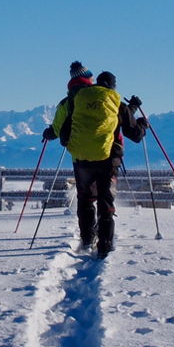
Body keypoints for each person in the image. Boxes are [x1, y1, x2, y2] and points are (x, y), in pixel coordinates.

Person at [42, 62, 147, 259]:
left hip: (81, 157)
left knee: (85, 197)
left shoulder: (73, 101)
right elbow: (123, 122)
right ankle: (105, 243)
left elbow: (59, 130)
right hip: (108, 156)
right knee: (105, 199)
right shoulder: (110, 98)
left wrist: (49, 134)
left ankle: (87, 238)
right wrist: (139, 119)